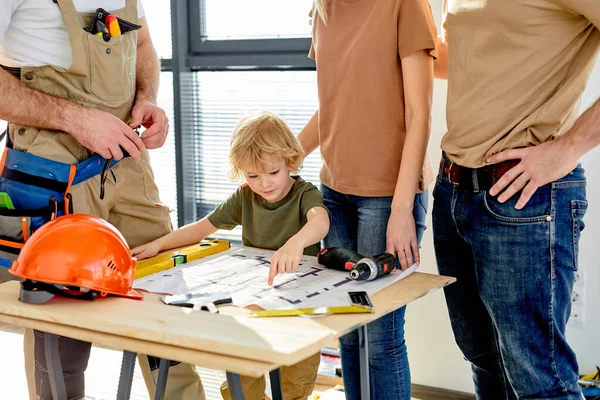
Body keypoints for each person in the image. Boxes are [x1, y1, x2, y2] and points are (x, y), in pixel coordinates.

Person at [0, 1, 205, 399]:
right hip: (54, 172)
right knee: (61, 320)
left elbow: (143, 47)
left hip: (127, 163)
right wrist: (77, 119)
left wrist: (147, 98)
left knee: (164, 299)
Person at [433, 0, 600, 398]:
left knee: (540, 381)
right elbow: (454, 60)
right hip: (454, 188)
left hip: (525, 200)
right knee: (483, 355)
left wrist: (570, 146)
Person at [133, 111, 331, 400]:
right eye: (252, 175)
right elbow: (201, 228)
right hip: (254, 299)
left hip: (296, 304)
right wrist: (159, 244)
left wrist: (296, 242)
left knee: (295, 383)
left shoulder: (304, 193)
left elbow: (319, 221)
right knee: (242, 374)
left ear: (290, 161)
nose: (264, 184)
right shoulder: (245, 197)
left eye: (273, 172)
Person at [298, 0, 437, 398]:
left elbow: (420, 113)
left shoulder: (405, 5)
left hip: (387, 196)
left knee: (380, 340)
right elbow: (332, 106)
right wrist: (280, 160)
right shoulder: (324, 9)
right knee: (348, 333)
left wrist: (401, 208)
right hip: (334, 192)